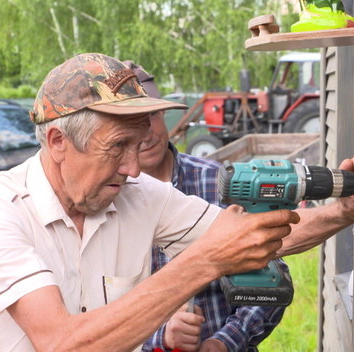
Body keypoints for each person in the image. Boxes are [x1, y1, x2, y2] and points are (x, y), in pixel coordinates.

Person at [0, 52, 354, 352]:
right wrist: (203, 263)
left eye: (139, 145)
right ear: (58, 140)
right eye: (117, 146)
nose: (134, 168)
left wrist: (346, 209)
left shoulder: (135, 196)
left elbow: (250, 237)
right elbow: (62, 343)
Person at [123, 60, 288, 352]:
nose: (146, 134)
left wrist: (224, 342)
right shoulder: (107, 202)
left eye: (152, 117)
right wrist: (160, 338)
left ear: (164, 114)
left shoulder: (221, 182)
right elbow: (93, 317)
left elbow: (271, 283)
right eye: (130, 125)